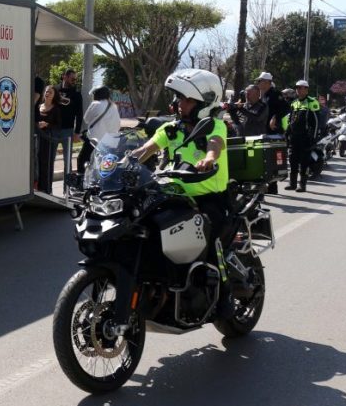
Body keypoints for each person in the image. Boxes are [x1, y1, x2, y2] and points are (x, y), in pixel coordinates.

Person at [127, 68, 234, 319]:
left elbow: (215, 145)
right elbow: (146, 149)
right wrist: (121, 162)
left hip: (211, 198)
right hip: (175, 196)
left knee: (209, 238)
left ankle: (225, 293)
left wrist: (208, 159)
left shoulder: (214, 126)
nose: (179, 104)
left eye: (186, 100)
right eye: (178, 98)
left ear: (204, 104)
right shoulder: (171, 129)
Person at [74, 85, 121, 179]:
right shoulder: (113, 106)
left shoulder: (96, 104)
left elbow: (86, 119)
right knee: (104, 164)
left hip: (95, 140)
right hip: (111, 141)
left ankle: (81, 183)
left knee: (82, 159)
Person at [286, 80, 320, 193]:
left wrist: (313, 139)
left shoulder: (312, 102)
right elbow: (290, 120)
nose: (299, 90)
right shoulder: (294, 102)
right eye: (297, 88)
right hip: (294, 138)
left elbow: (315, 122)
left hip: (305, 138)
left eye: (301, 88)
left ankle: (302, 185)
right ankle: (292, 183)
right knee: (292, 160)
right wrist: (287, 134)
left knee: (304, 162)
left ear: (306, 89)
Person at [54, 69, 84, 178]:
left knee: (67, 161)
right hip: (53, 130)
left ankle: (67, 188)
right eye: (72, 78)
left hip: (68, 131)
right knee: (49, 159)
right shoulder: (54, 90)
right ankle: (48, 190)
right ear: (64, 77)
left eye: (75, 79)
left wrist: (77, 132)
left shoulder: (76, 94)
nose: (74, 81)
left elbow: (79, 114)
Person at [36, 85, 63, 193]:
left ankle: (47, 189)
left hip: (49, 139)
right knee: (37, 162)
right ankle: (37, 187)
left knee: (47, 163)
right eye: (46, 91)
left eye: (50, 92)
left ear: (54, 95)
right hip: (37, 138)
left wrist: (47, 124)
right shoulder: (38, 106)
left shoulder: (56, 109)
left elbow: (59, 126)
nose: (47, 94)